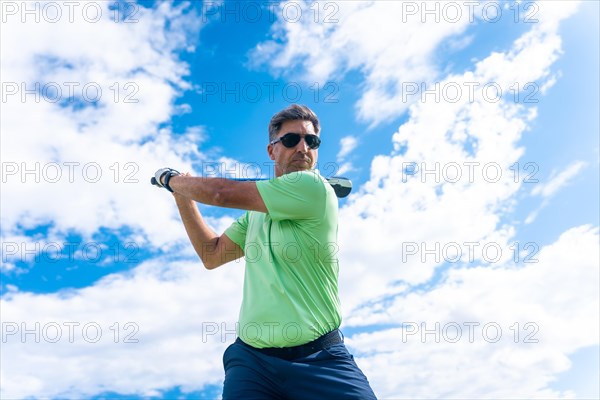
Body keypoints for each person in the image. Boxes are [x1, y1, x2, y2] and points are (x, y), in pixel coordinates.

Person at [154, 104, 377, 399]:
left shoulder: (312, 187)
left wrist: (170, 179)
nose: (302, 147)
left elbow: (221, 193)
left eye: (311, 141)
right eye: (290, 140)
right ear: (271, 150)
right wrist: (182, 198)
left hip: (320, 359)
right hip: (253, 362)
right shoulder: (255, 216)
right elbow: (212, 254)